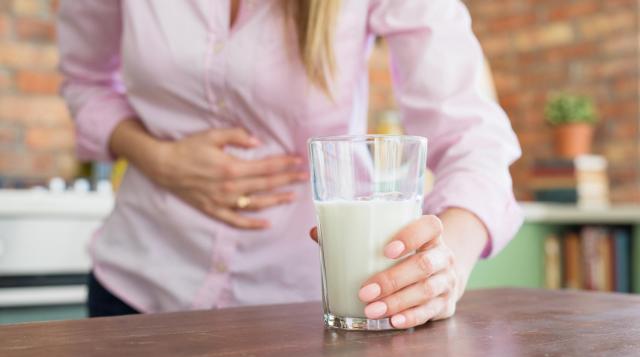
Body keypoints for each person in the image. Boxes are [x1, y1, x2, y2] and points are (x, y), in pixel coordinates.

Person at [58, 0, 522, 329]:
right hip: (139, 287)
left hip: (303, 310)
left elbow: (473, 137)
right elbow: (86, 81)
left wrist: (447, 266)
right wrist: (158, 157)